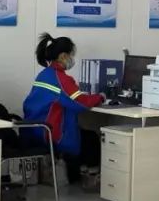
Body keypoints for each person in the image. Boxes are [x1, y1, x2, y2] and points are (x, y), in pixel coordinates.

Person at [23, 33, 103, 183]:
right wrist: (101, 97)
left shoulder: (43, 75)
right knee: (91, 138)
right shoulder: (61, 79)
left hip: (34, 129)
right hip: (49, 132)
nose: (72, 59)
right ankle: (90, 178)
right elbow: (81, 102)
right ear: (63, 56)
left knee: (81, 131)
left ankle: (77, 177)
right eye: (71, 55)